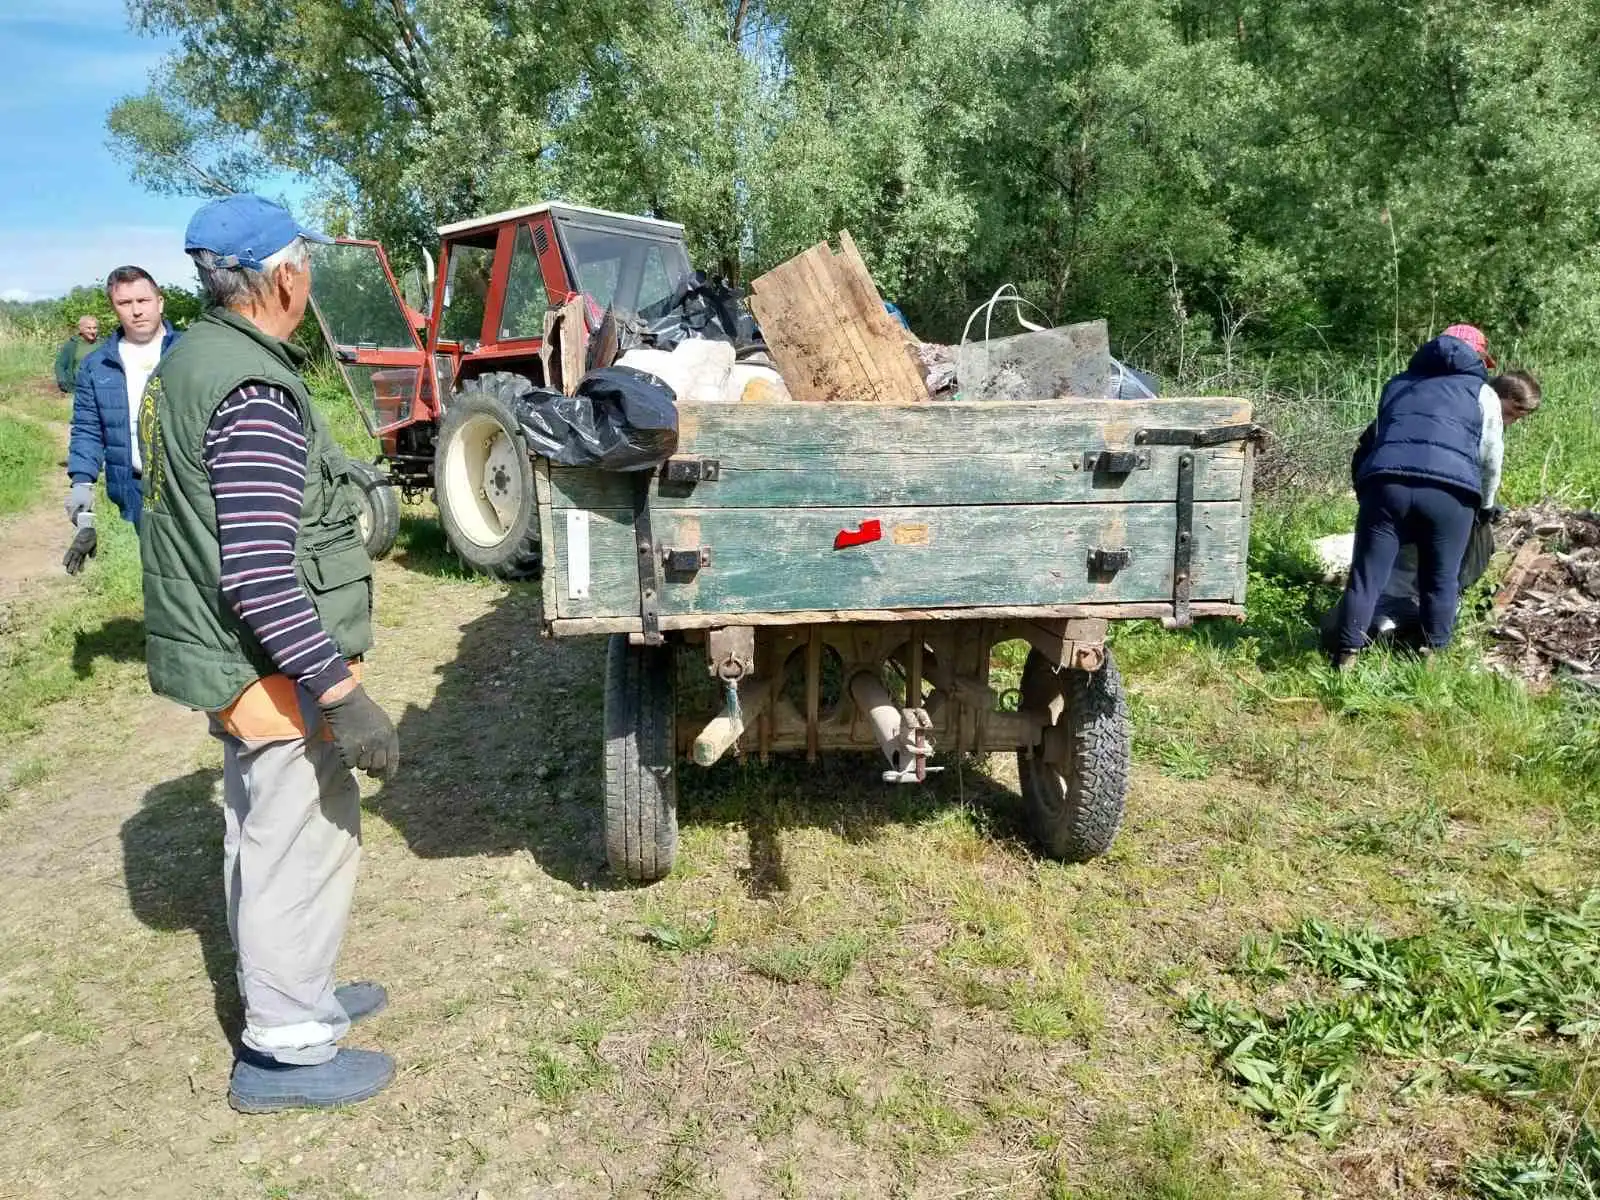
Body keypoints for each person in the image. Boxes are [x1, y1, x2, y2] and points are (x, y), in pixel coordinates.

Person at [138, 194, 400, 1113]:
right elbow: (257, 571)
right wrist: (339, 691)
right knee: (292, 840)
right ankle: (284, 1049)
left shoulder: (191, 360)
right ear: (283, 275)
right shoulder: (251, 391)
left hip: (238, 660)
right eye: (308, 265)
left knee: (269, 828)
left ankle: (301, 993)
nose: (311, 280)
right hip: (269, 671)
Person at [1331, 325, 1538, 667]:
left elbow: (1377, 439)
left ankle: (1345, 658)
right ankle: (1431, 661)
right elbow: (1490, 459)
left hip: (1386, 485)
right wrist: (1485, 505)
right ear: (1477, 358)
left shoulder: (1397, 384)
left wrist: (1368, 491)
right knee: (1440, 579)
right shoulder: (1482, 392)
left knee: (1366, 577)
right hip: (1449, 493)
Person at [64, 266, 178, 532]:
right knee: (156, 569)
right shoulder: (97, 365)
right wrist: (82, 483)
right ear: (114, 308)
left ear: (159, 303)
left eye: (143, 300)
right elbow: (87, 429)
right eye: (125, 303)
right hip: (138, 489)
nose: (136, 310)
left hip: (193, 487)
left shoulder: (189, 351)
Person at [53, 315, 100, 393]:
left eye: (95, 328)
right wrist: (63, 382)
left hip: (98, 387)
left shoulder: (103, 344)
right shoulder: (72, 345)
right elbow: (60, 365)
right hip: (78, 388)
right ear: (81, 329)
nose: (92, 331)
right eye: (88, 328)